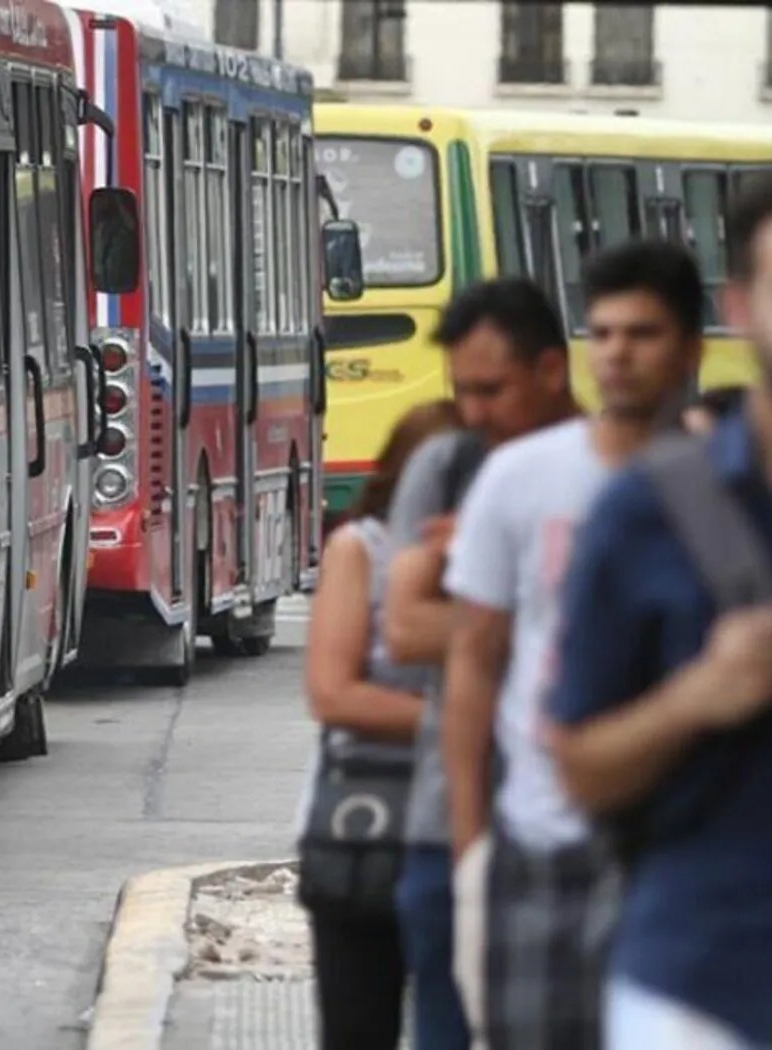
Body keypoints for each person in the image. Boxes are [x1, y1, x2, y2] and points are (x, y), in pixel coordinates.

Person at [548, 164, 772, 1048]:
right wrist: (696, 698)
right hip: (693, 986)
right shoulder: (646, 513)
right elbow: (580, 766)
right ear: (745, 305)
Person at [443, 241, 704, 1050]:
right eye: (605, 333)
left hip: (680, 848)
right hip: (539, 841)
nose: (620, 354)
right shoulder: (519, 478)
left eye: (644, 334)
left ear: (691, 347)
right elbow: (475, 659)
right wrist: (470, 849)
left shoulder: (725, 484)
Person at [381, 278, 578, 1050]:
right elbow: (404, 629)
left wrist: (483, 588)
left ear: (552, 372)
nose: (475, 413)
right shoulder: (448, 466)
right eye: (462, 390)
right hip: (446, 825)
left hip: (579, 834)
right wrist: (541, 608)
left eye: (493, 390)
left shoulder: (612, 470)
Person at [301, 399, 462, 1050]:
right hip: (370, 831)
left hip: (477, 838)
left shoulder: (509, 556)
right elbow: (335, 695)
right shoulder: (361, 549)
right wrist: (469, 726)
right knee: (359, 1027)